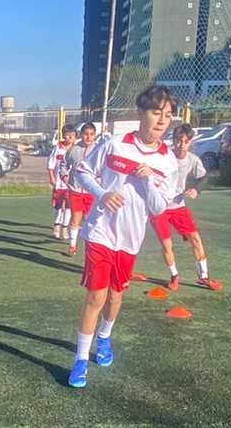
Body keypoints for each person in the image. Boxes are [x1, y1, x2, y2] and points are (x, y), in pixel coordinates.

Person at [67, 86, 178, 388]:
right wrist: (102, 195)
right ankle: (79, 360)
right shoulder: (114, 144)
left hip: (130, 238)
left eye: (167, 116)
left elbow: (158, 208)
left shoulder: (168, 161)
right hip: (100, 231)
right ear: (142, 113)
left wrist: (148, 180)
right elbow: (82, 171)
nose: (161, 121)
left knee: (116, 297)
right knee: (96, 295)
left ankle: (104, 337)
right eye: (157, 113)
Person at [153, 123, 223, 292]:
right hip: (159, 208)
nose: (181, 145)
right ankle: (174, 276)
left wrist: (196, 190)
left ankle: (203, 276)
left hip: (178, 207)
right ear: (174, 141)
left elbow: (204, 178)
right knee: (167, 245)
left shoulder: (193, 159)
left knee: (195, 238)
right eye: (178, 141)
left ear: (190, 142)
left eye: (185, 141)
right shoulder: (163, 157)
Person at [64, 122, 98, 256]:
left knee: (90, 220)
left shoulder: (99, 149)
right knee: (75, 218)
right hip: (76, 190)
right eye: (85, 134)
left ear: (95, 135)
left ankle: (92, 246)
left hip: (92, 191)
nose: (88, 137)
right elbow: (64, 164)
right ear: (81, 135)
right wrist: (64, 174)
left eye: (91, 134)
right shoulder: (74, 149)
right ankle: (72, 246)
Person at [48, 124, 77, 240]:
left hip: (71, 184)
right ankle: (57, 224)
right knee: (58, 205)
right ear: (63, 135)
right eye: (68, 135)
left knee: (69, 205)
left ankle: (65, 226)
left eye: (73, 135)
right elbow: (51, 164)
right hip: (59, 183)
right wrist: (51, 176)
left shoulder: (76, 149)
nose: (70, 137)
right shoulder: (58, 148)